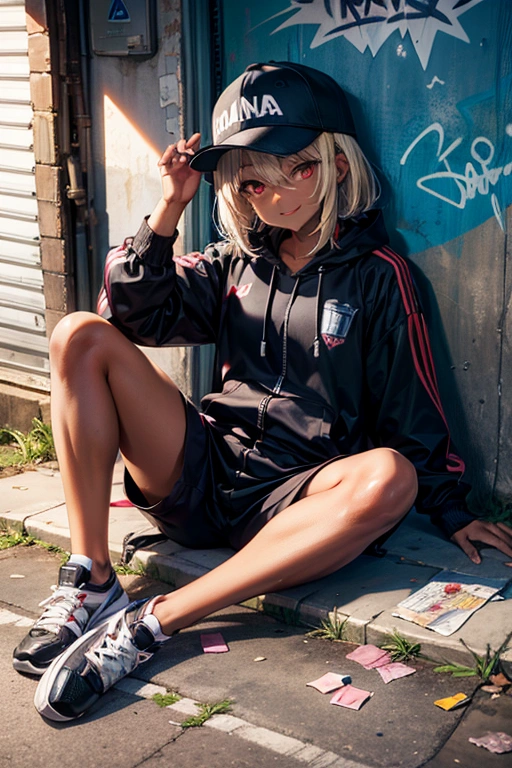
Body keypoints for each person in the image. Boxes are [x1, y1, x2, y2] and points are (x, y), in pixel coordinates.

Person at [14, 61, 512, 722]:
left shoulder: (380, 277)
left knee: (391, 476)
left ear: (336, 165)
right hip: (202, 474)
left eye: (292, 169)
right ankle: (91, 580)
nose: (270, 196)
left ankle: (152, 623)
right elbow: (131, 312)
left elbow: (411, 402)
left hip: (293, 503)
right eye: (251, 181)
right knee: (79, 333)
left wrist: (448, 507)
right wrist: (170, 207)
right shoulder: (232, 264)